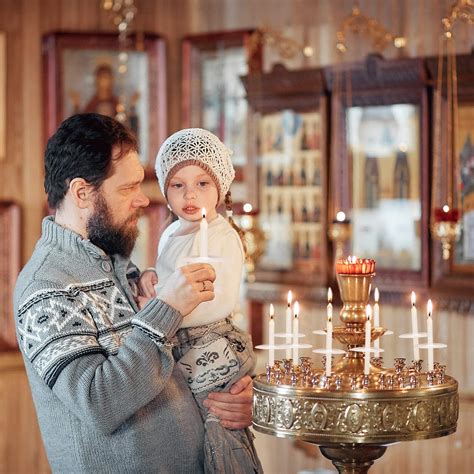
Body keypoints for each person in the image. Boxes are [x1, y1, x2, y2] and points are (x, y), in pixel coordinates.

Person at [13, 113, 254, 473]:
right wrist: (167, 308)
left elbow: (167, 363)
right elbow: (100, 401)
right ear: (82, 193)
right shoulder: (46, 287)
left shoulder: (119, 265)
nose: (144, 200)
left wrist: (230, 397)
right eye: (127, 188)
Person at [138, 128, 263, 473]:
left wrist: (165, 305)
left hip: (212, 345)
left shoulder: (225, 237)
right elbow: (170, 280)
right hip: (181, 347)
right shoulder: (170, 233)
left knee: (220, 427)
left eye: (202, 184)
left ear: (220, 188)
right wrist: (153, 278)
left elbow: (216, 301)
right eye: (178, 185)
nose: (189, 194)